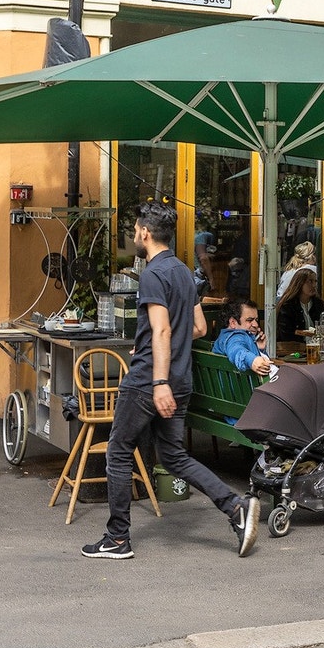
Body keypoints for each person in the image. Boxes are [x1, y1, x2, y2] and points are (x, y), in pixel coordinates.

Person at [83, 202, 259, 560]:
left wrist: (158, 379)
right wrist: (158, 350)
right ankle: (235, 506)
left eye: (136, 230)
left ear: (145, 233)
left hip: (149, 381)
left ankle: (117, 538)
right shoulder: (182, 271)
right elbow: (199, 327)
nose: (135, 235)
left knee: (118, 452)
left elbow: (162, 329)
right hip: (180, 379)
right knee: (174, 457)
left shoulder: (152, 274)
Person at [213, 298, 273, 375]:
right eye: (249, 320)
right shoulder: (234, 338)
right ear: (233, 322)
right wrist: (252, 360)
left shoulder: (226, 338)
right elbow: (236, 349)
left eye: (256, 320)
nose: (256, 324)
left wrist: (258, 348)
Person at [275, 267, 324, 344]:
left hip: (316, 346)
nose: (314, 285)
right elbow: (286, 333)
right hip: (293, 347)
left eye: (315, 281)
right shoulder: (287, 306)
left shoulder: (318, 304)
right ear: (299, 283)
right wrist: (305, 334)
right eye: (310, 281)